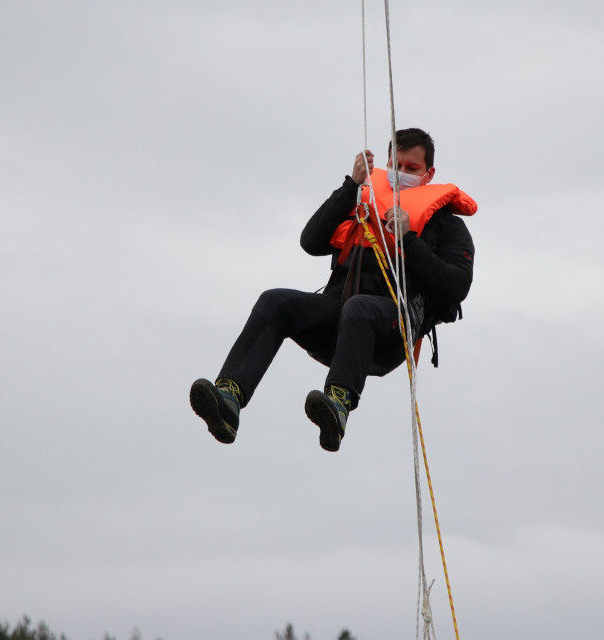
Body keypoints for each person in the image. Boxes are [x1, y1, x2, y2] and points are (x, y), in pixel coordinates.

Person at [190, 128, 476, 452]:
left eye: (412, 169)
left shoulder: (446, 226)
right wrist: (351, 186)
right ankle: (230, 396)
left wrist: (409, 239)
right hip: (340, 323)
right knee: (276, 301)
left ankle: (338, 405)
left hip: (391, 330)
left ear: (429, 174)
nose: (402, 174)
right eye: (397, 166)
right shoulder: (363, 202)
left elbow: (457, 285)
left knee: (360, 307)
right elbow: (310, 241)